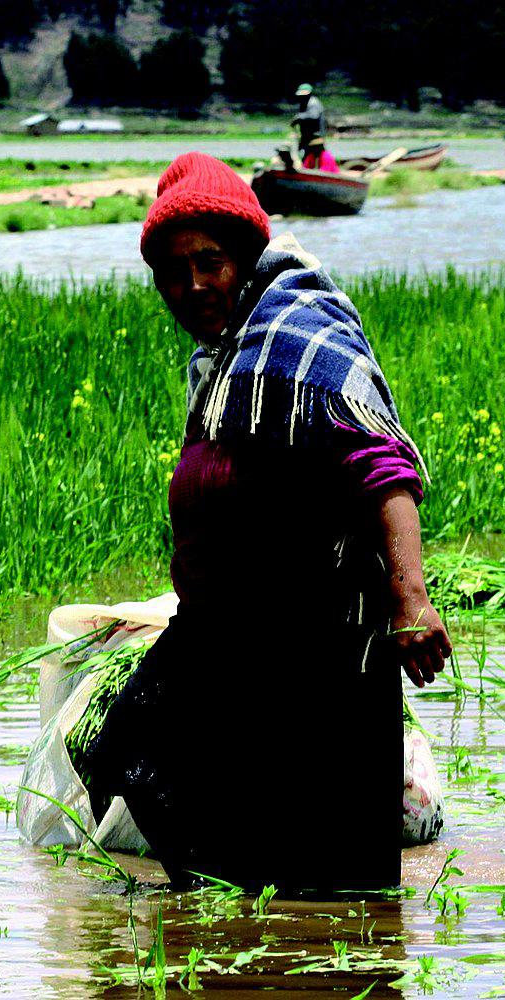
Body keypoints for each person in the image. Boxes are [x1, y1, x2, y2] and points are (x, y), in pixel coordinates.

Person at [79, 153, 451, 895]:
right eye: (173, 271)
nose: (193, 285)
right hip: (226, 643)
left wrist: (411, 602)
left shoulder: (299, 333)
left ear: (246, 256)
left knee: (325, 887)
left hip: (316, 652)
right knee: (126, 754)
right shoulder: (219, 360)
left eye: (210, 261)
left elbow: (383, 469)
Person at [292, 82, 326, 161]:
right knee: (303, 156)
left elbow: (314, 116)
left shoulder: (313, 103)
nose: (302, 97)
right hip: (306, 137)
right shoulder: (304, 103)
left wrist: (298, 117)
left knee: (314, 156)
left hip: (315, 136)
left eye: (304, 95)